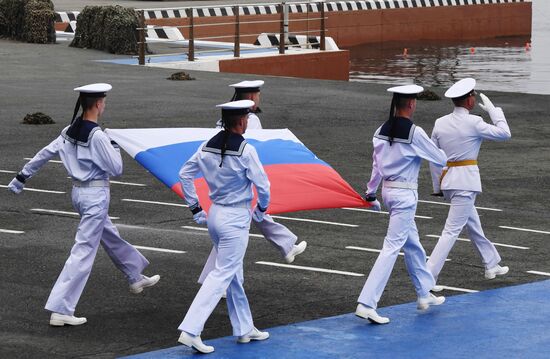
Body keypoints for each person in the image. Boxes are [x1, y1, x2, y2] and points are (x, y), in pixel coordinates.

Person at [7, 83, 160, 326]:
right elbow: (117, 169)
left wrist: (22, 176)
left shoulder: (69, 130)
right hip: (95, 195)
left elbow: (45, 153)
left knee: (109, 235)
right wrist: (113, 145)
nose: (104, 104)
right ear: (98, 104)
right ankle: (61, 308)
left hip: (79, 194)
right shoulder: (98, 136)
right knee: (83, 251)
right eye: (104, 101)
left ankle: (134, 276)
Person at [177, 100, 271, 354]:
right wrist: (261, 210)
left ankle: (244, 328)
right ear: (242, 121)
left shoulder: (206, 146)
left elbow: (185, 173)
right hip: (236, 218)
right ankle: (191, 329)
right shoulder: (247, 150)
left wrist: (195, 207)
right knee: (222, 274)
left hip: (215, 214)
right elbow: (263, 186)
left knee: (232, 274)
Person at [355, 84, 448, 325]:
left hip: (387, 192)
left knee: (412, 242)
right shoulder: (415, 132)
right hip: (405, 195)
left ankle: (424, 292)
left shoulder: (379, 131)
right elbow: (439, 158)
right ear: (411, 103)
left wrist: (370, 192)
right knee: (391, 247)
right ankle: (367, 303)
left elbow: (376, 166)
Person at [201, 80, 307, 288]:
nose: (259, 99)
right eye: (257, 95)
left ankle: (286, 245)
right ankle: (218, 283)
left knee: (243, 226)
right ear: (250, 98)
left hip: (222, 181)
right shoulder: (251, 120)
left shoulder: (221, 121)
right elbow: (253, 148)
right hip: (241, 179)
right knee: (243, 226)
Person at [427, 78, 511, 290]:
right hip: (466, 182)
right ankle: (427, 277)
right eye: (472, 95)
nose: (474, 98)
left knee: (473, 224)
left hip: (449, 182)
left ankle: (491, 263)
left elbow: (433, 156)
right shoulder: (473, 122)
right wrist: (495, 112)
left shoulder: (440, 122)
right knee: (451, 232)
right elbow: (504, 134)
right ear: (469, 100)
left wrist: (438, 186)